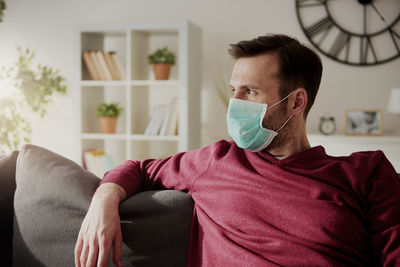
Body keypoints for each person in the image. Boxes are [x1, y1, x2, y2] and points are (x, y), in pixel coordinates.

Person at [74, 34, 400, 267]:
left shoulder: (366, 172)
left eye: (251, 91)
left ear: (297, 102)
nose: (235, 104)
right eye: (234, 91)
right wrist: (104, 201)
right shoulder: (218, 160)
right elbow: (139, 169)